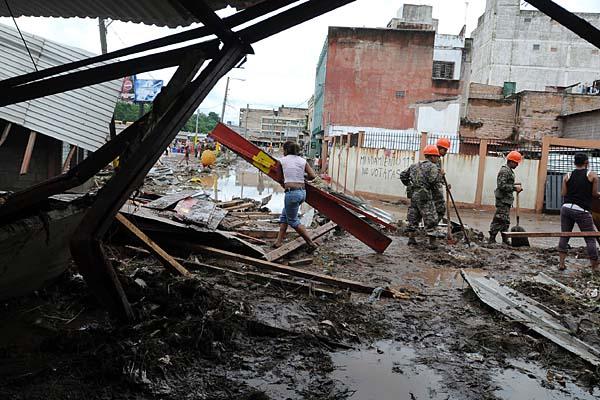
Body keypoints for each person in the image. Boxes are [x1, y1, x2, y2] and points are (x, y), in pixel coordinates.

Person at [558, 153, 600, 272]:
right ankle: (595, 266)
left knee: (565, 235)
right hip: (582, 210)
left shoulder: (567, 175)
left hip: (566, 208)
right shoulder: (592, 175)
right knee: (590, 238)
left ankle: (561, 263)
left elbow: (564, 193)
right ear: (586, 162)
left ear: (574, 163)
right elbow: (594, 194)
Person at [273, 141, 318, 251]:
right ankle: (278, 242)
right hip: (302, 193)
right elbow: (312, 176)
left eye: (283, 149)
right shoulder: (303, 161)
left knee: (293, 221)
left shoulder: (281, 161)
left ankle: (311, 243)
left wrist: (287, 182)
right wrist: (301, 176)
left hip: (291, 193)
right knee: (285, 217)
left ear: (286, 150)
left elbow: (279, 179)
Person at [400, 145, 444, 248]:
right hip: (425, 196)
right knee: (430, 218)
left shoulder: (414, 165)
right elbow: (433, 181)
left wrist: (409, 184)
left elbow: (403, 175)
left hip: (414, 195)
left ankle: (411, 239)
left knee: (414, 216)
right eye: (437, 157)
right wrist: (440, 174)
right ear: (432, 157)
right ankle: (432, 243)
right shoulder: (432, 166)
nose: (437, 159)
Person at [489, 151, 523, 244]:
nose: (517, 165)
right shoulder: (504, 171)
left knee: (505, 221)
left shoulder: (509, 171)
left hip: (506, 200)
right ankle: (492, 238)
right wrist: (514, 188)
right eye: (516, 163)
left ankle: (505, 238)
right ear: (511, 161)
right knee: (499, 219)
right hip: (502, 200)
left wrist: (513, 187)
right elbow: (501, 185)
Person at [433, 138, 452, 223]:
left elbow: (439, 175)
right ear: (440, 148)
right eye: (445, 150)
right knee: (440, 209)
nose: (446, 152)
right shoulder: (434, 159)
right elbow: (434, 176)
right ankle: (432, 226)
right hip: (433, 189)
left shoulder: (438, 159)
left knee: (437, 209)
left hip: (436, 188)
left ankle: (432, 225)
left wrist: (445, 183)